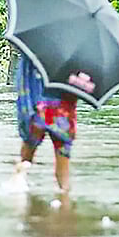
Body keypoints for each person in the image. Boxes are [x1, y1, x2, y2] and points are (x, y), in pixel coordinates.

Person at [13, 51, 85, 193]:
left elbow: (24, 83)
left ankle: (18, 192)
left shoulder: (33, 47)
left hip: (39, 105)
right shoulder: (75, 49)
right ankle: (64, 203)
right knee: (63, 177)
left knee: (25, 161)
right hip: (60, 110)